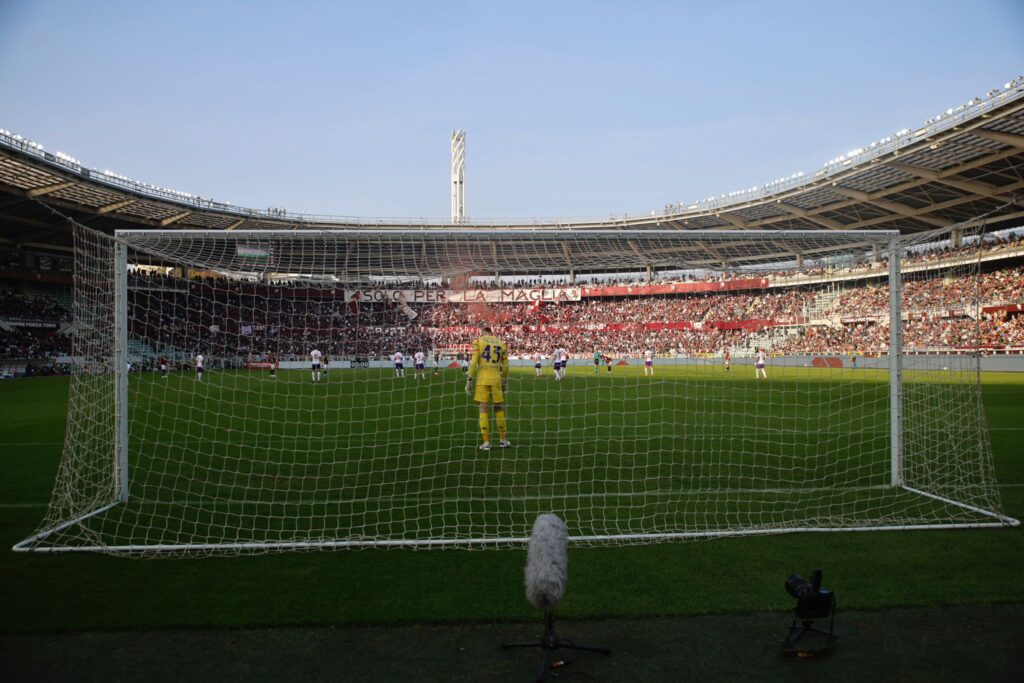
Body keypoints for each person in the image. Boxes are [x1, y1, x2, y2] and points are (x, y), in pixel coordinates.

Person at [466, 325, 510, 450]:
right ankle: (503, 440)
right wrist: (504, 381)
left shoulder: (478, 341)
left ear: (483, 332)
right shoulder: (501, 343)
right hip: (496, 379)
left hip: (482, 379)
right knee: (499, 408)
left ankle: (486, 443)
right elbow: (506, 365)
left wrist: (469, 379)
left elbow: (474, 361)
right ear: (491, 333)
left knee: (483, 409)